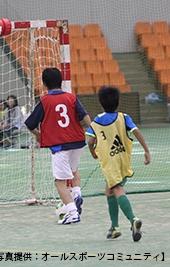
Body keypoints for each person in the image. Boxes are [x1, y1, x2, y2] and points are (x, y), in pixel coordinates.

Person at [24, 67, 91, 225]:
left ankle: (72, 212)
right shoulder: (72, 97)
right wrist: (93, 130)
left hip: (60, 145)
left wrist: (41, 136)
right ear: (61, 81)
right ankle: (76, 192)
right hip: (78, 142)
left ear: (44, 83)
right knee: (73, 170)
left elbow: (29, 124)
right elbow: (84, 115)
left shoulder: (45, 101)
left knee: (59, 181)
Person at [86, 86, 150, 241]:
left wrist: (93, 152)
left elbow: (90, 141)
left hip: (110, 163)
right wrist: (146, 150)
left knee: (117, 189)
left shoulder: (96, 121)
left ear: (101, 104)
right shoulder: (124, 117)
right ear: (118, 101)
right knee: (109, 191)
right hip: (123, 159)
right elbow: (136, 132)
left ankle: (133, 220)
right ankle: (114, 227)